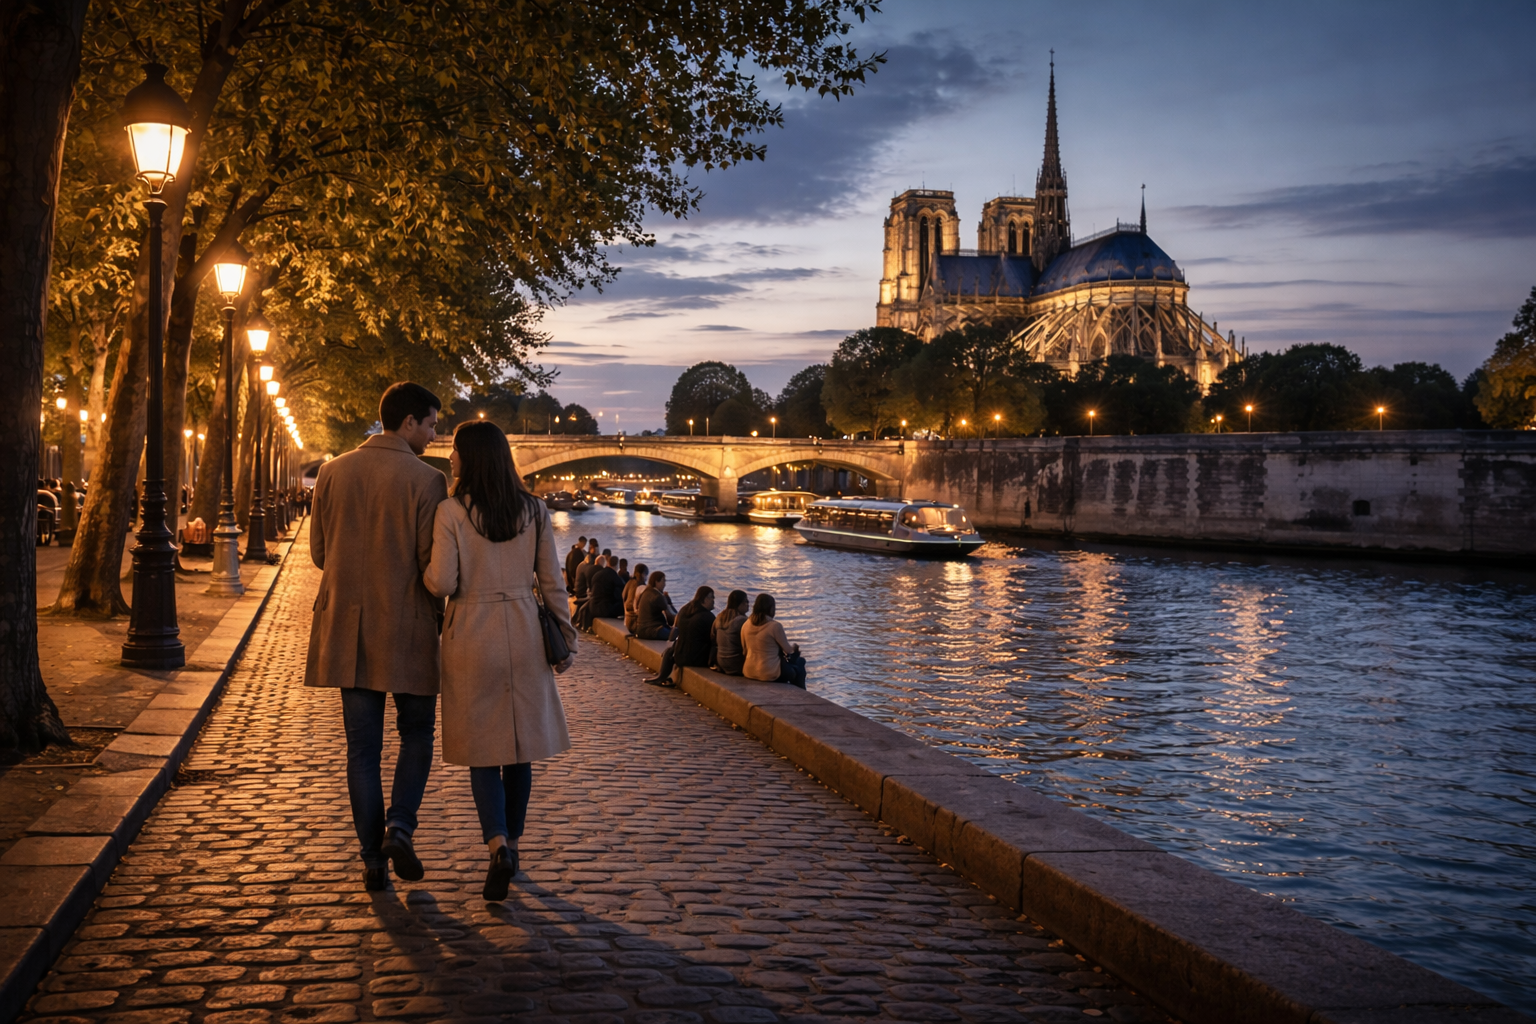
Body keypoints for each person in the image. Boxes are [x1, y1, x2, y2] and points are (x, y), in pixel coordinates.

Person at [423, 420, 576, 902]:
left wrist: (425, 569)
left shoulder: (450, 511)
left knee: (481, 752)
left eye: (455, 453)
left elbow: (443, 583)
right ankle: (514, 840)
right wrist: (565, 638)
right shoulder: (534, 509)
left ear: (470, 458)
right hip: (524, 631)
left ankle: (495, 844)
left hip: (471, 634)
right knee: (519, 748)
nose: (450, 459)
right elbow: (553, 581)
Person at [305, 381, 448, 892]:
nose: (434, 434)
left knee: (361, 750)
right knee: (417, 735)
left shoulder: (332, 472)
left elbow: (320, 555)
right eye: (431, 424)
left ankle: (371, 859)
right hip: (407, 626)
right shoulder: (427, 481)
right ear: (408, 421)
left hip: (348, 627)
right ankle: (400, 826)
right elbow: (432, 566)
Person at [644, 586, 715, 687]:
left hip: (678, 655)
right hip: (695, 659)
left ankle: (661, 676)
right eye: (712, 598)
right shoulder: (707, 617)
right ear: (705, 599)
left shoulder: (685, 610)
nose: (713, 601)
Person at [741, 593, 806, 688]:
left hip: (749, 671)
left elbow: (744, 650)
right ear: (771, 609)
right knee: (800, 662)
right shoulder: (774, 626)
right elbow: (789, 651)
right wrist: (795, 648)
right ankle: (801, 695)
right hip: (769, 673)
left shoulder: (746, 625)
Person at [712, 590, 750, 675]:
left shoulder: (720, 617)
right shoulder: (741, 620)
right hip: (736, 664)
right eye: (746, 601)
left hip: (721, 662)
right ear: (739, 603)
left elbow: (713, 637)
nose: (748, 604)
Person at [634, 570, 675, 641]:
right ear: (656, 582)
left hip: (641, 630)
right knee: (677, 634)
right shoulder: (657, 596)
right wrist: (669, 602)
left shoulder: (646, 592)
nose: (664, 584)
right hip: (653, 631)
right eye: (663, 581)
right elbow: (671, 617)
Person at [588, 555, 625, 621]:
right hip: (605, 610)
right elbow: (619, 596)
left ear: (608, 563)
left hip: (592, 607)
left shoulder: (597, 574)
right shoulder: (616, 578)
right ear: (617, 565)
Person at [623, 564, 648, 634]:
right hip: (636, 623)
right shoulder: (641, 586)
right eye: (646, 575)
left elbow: (623, 597)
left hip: (627, 621)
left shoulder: (629, 583)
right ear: (643, 574)